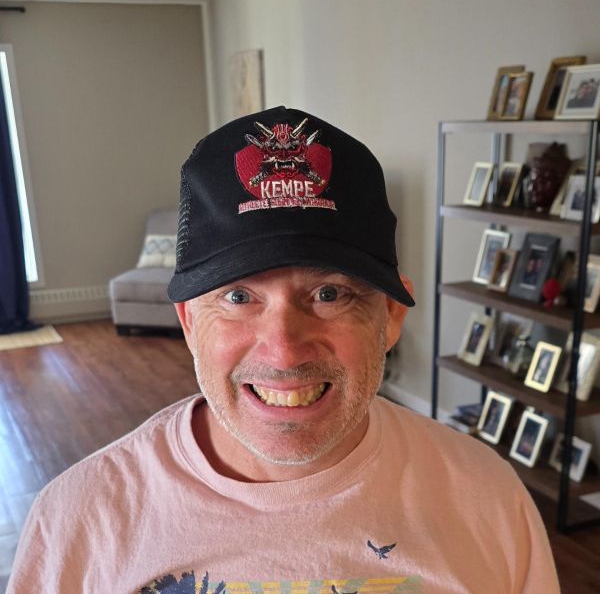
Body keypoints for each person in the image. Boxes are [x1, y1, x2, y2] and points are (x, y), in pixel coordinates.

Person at [7, 107, 559, 593]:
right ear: (190, 321)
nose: (285, 351)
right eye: (238, 296)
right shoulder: (79, 518)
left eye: (329, 294)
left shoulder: (486, 497)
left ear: (391, 316)